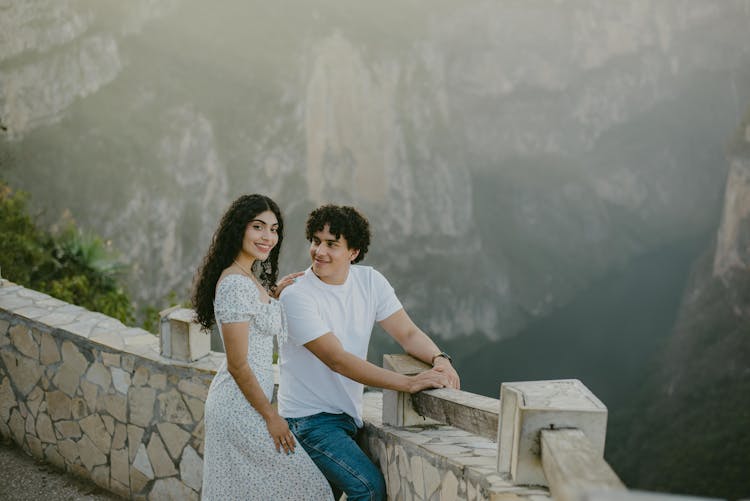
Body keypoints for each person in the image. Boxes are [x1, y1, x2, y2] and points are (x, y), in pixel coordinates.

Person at [278, 204, 461, 501]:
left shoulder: (370, 281)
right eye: (316, 240)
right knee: (367, 489)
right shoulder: (297, 295)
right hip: (309, 421)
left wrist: (440, 359)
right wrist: (409, 383)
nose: (319, 251)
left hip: (346, 416)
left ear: (353, 252)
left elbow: (408, 333)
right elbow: (338, 360)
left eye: (332, 244)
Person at [192, 194, 332, 501]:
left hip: (246, 403)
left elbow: (254, 318)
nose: (268, 236)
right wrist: (271, 416)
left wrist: (274, 294)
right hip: (239, 407)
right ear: (239, 229)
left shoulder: (246, 277)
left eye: (274, 229)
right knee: (312, 490)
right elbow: (238, 364)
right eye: (258, 227)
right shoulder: (234, 284)